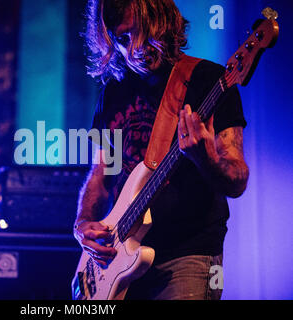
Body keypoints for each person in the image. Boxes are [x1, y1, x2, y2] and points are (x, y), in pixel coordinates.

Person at [73, 0, 249, 300]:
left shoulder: (209, 80)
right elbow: (100, 176)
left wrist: (205, 158)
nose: (134, 48)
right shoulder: (113, 92)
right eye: (123, 39)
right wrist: (82, 224)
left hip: (189, 255)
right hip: (120, 257)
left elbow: (237, 179)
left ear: (163, 21)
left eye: (141, 32)